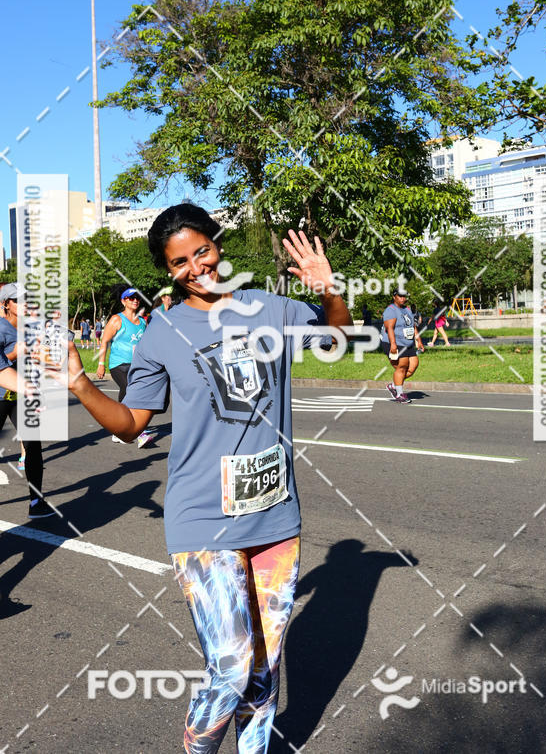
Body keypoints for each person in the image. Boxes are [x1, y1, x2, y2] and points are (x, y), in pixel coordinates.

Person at [60, 203, 352, 754]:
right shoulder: (161, 334)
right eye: (180, 262)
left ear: (217, 245)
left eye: (202, 251)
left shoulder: (270, 308)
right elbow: (130, 425)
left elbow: (337, 339)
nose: (197, 267)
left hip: (275, 517)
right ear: (166, 271)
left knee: (264, 670)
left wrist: (330, 289)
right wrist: (80, 385)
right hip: (202, 522)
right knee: (232, 668)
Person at [0, 283, 54, 518]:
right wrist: (17, 351)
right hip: (1, 395)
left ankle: (36, 501)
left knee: (33, 444)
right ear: (6, 304)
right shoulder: (0, 328)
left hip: (20, 395)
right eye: (18, 300)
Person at [96, 287, 154, 449]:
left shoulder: (142, 322)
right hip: (119, 364)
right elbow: (104, 342)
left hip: (138, 365)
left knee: (135, 393)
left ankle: (120, 429)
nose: (135, 300)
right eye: (131, 298)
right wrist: (101, 364)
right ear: (123, 301)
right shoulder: (117, 319)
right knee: (129, 390)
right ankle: (138, 431)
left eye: (137, 298)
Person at [380, 289, 419, 403]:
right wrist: (393, 344)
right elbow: (390, 328)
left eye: (404, 296)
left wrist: (418, 339)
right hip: (394, 342)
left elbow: (412, 325)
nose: (403, 298)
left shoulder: (407, 309)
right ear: (394, 297)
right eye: (400, 296)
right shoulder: (390, 310)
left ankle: (393, 385)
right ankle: (399, 394)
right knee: (402, 366)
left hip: (407, 342)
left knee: (413, 366)